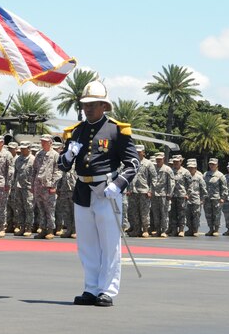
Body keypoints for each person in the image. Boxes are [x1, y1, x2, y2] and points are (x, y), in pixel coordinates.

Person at [58, 81, 138, 308]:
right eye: (86, 104)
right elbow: (62, 166)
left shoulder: (116, 130)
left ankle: (107, 290)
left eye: (93, 104)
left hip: (107, 191)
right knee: (87, 244)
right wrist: (68, 155)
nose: (88, 108)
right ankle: (91, 288)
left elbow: (133, 163)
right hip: (82, 191)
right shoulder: (76, 132)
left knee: (109, 244)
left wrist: (120, 184)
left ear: (104, 105)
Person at [32, 135, 61, 239]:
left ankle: (50, 230)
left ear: (50, 143)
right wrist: (32, 185)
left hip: (48, 186)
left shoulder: (55, 155)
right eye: (42, 141)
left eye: (45, 142)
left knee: (49, 209)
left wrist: (53, 185)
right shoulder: (39, 154)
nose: (42, 143)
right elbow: (34, 170)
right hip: (38, 185)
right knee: (41, 208)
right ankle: (43, 229)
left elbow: (58, 171)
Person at [151, 152, 173, 237]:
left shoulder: (167, 169)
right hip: (154, 194)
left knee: (164, 213)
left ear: (163, 159)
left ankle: (164, 230)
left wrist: (169, 193)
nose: (158, 161)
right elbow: (150, 180)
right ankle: (157, 230)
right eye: (157, 160)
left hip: (164, 195)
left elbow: (171, 182)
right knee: (155, 213)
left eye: (160, 159)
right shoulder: (153, 168)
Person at [203, 158, 227, 236]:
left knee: (216, 215)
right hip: (207, 198)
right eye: (210, 164)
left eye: (213, 164)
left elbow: (224, 188)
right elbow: (203, 186)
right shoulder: (205, 174)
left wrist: (223, 198)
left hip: (216, 199)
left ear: (217, 165)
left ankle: (216, 229)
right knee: (208, 215)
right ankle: (210, 229)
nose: (212, 165)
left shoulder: (220, 175)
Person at [184, 159, 206, 236]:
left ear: (195, 168)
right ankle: (190, 229)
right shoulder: (185, 176)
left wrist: (202, 199)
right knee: (188, 215)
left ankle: (195, 230)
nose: (190, 169)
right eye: (189, 168)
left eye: (192, 168)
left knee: (196, 215)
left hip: (196, 199)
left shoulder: (199, 177)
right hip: (187, 199)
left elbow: (203, 189)